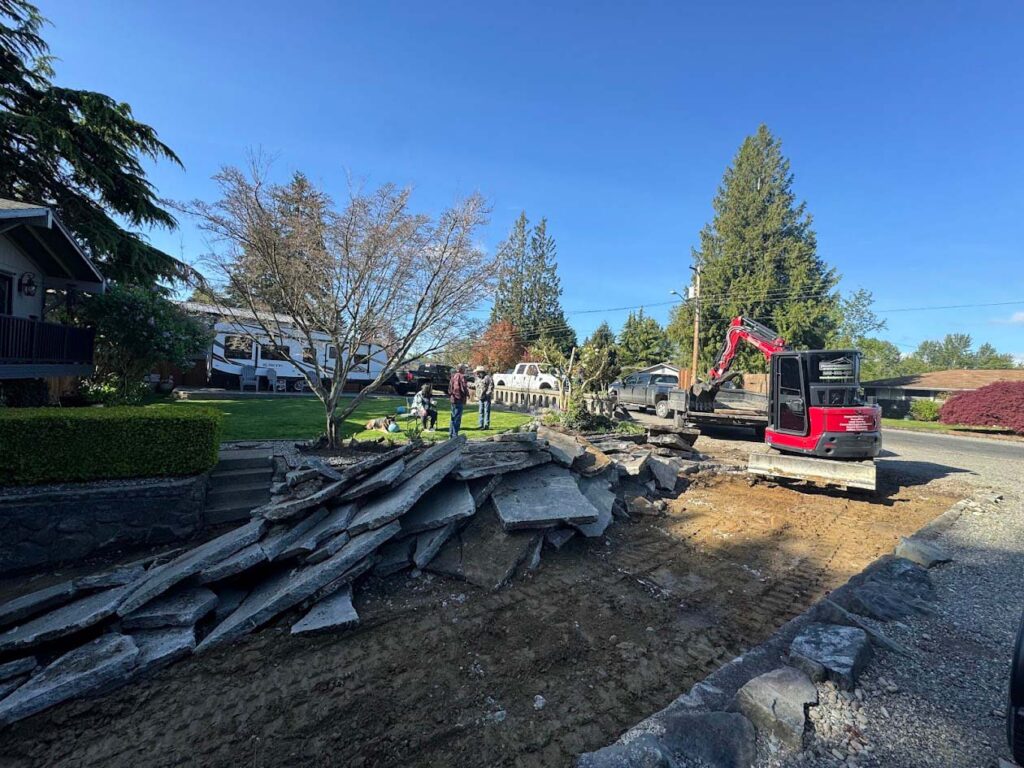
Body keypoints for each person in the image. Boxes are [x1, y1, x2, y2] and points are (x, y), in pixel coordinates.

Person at [448, 364, 470, 438]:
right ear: (461, 369)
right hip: (458, 400)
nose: (465, 370)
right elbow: (458, 388)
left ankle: (451, 434)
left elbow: (450, 389)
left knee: (453, 417)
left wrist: (452, 395)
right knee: (457, 418)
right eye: (464, 368)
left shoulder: (453, 376)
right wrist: (465, 394)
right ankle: (454, 435)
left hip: (453, 400)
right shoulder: (461, 376)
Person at [474, 365, 494, 430]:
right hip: (480, 398)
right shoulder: (477, 379)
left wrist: (487, 394)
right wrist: (468, 384)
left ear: (481, 372)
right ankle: (480, 425)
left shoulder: (488, 378)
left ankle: (486, 425)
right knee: (480, 411)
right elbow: (475, 386)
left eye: (477, 372)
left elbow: (491, 387)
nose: (476, 374)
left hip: (486, 398)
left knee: (486, 411)